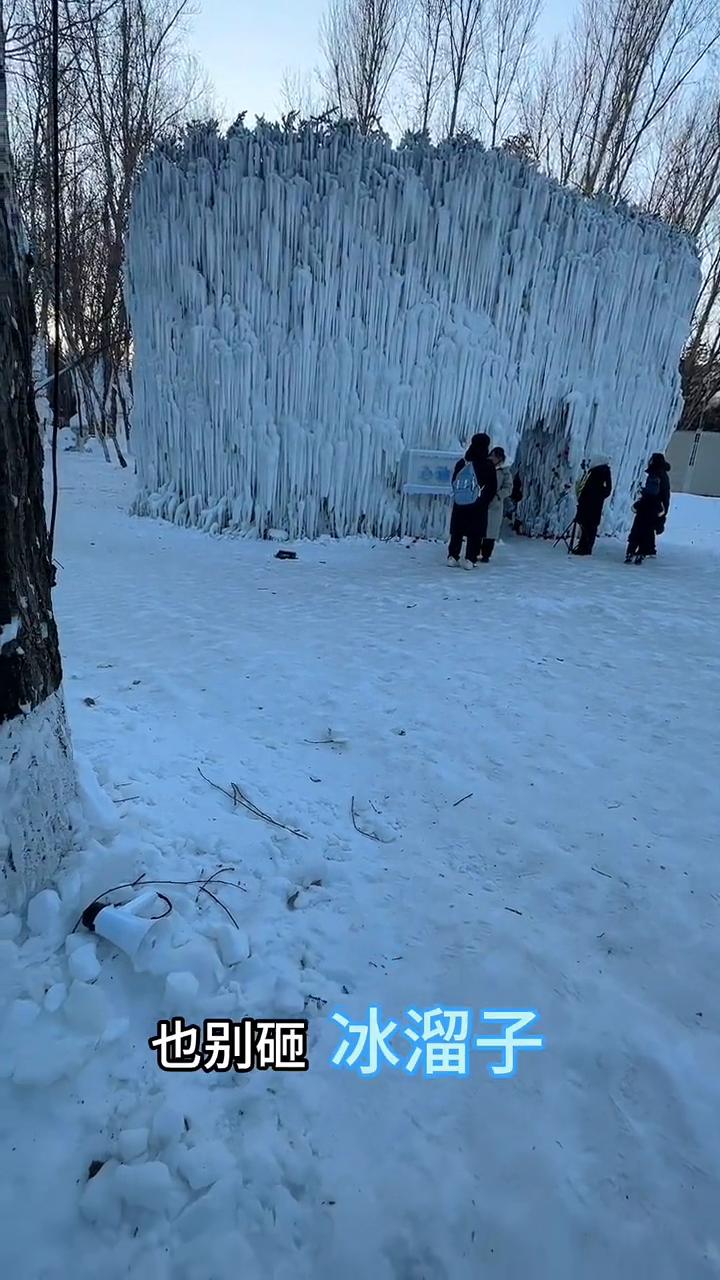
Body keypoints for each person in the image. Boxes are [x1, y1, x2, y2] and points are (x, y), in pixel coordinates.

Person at [447, 433, 498, 569]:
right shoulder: (487, 465)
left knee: (457, 531)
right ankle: (470, 559)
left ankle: (452, 556)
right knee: (475, 532)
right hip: (478, 506)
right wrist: (484, 501)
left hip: (460, 504)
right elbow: (492, 487)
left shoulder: (462, 463)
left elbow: (454, 482)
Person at [572, 455, 612, 556]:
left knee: (588, 525)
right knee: (590, 525)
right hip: (594, 502)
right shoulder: (602, 471)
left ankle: (584, 547)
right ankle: (585, 547)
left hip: (590, 501)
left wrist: (597, 494)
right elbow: (607, 490)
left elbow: (607, 489)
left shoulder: (595, 472)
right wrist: (600, 495)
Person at [480, 447, 513, 562]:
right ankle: (475, 551)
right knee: (479, 528)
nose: (491, 458)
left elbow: (508, 488)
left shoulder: (505, 472)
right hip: (483, 502)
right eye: (491, 455)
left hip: (495, 505)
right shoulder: (485, 467)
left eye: (494, 456)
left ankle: (486, 555)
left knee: (491, 531)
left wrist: (498, 496)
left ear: (499, 458)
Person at [625, 472, 665, 564]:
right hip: (649, 525)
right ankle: (640, 555)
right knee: (645, 540)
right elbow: (661, 512)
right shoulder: (657, 502)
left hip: (638, 522)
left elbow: (634, 508)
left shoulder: (643, 499)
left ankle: (630, 553)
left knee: (634, 539)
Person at [646, 452, 671, 555]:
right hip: (657, 505)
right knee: (649, 527)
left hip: (654, 505)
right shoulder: (661, 474)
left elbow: (662, 494)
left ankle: (647, 548)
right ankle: (650, 548)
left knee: (647, 526)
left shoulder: (657, 474)